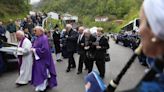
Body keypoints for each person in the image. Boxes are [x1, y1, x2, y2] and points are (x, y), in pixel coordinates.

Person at [31, 26, 57, 92]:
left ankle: (41, 87)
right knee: (40, 72)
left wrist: (34, 50)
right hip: (39, 59)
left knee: (42, 73)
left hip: (43, 59)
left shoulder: (44, 38)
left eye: (35, 31)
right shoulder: (38, 38)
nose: (34, 32)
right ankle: (44, 85)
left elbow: (45, 50)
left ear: (40, 31)